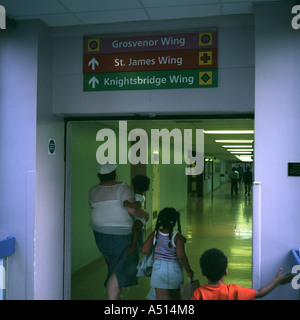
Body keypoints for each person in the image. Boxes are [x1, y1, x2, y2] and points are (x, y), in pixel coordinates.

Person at [88, 163, 149, 300]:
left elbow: (93, 207)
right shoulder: (122, 187)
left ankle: (116, 294)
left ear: (99, 176)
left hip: (99, 234)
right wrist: (146, 214)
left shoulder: (93, 190)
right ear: (115, 174)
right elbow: (133, 211)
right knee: (121, 267)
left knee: (114, 263)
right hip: (120, 234)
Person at [191, 248, 294, 300]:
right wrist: (277, 281)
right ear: (225, 272)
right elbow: (259, 293)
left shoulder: (198, 294)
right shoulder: (233, 291)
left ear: (202, 272)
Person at [142, 207, 194, 300]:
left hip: (158, 271)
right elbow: (181, 256)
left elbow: (145, 250)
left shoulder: (155, 234)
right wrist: (189, 270)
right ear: (174, 222)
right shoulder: (177, 237)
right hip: (174, 271)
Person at [123, 174, 150, 255]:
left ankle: (134, 246)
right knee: (139, 232)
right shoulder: (137, 195)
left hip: (140, 218)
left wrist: (127, 204)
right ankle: (140, 244)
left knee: (135, 228)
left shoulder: (138, 196)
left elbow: (137, 206)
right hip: (138, 217)